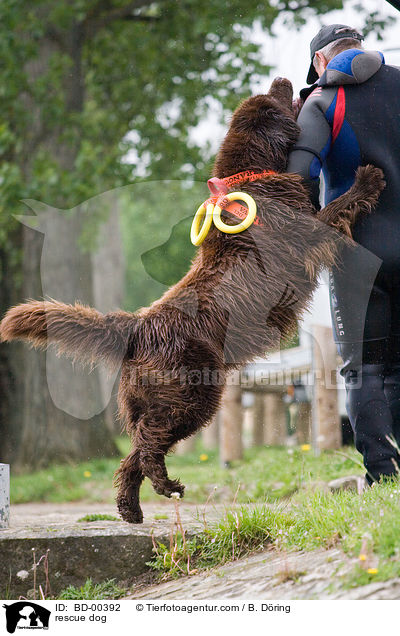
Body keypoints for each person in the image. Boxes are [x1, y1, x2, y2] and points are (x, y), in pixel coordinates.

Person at [287, 24, 400, 484]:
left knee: (365, 369)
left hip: (358, 253)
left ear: (320, 61)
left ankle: (384, 478)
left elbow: (299, 178)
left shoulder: (321, 102)